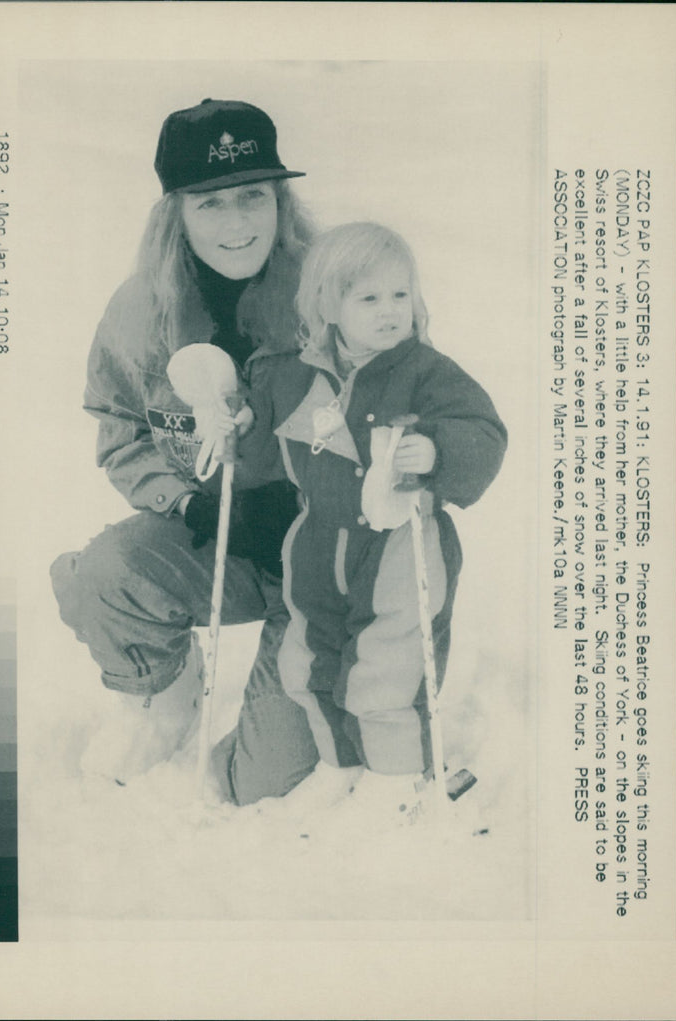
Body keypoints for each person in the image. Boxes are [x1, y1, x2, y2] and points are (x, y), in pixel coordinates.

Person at [50, 98, 320, 802]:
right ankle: (164, 699)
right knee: (104, 574)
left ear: (281, 203)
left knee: (261, 783)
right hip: (223, 538)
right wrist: (188, 502)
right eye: (210, 203)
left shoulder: (336, 290)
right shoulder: (141, 310)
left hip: (328, 562)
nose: (237, 224)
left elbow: (412, 403)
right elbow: (120, 428)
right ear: (174, 213)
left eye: (253, 196)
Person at [219, 221, 508, 824]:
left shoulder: (426, 371)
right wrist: (235, 436)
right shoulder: (295, 376)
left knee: (388, 663)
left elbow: (482, 431)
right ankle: (340, 764)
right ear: (327, 305)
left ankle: (397, 778)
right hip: (319, 542)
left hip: (401, 543)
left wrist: (438, 452)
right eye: (368, 298)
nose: (389, 312)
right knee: (310, 658)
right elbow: (258, 456)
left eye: (400, 295)